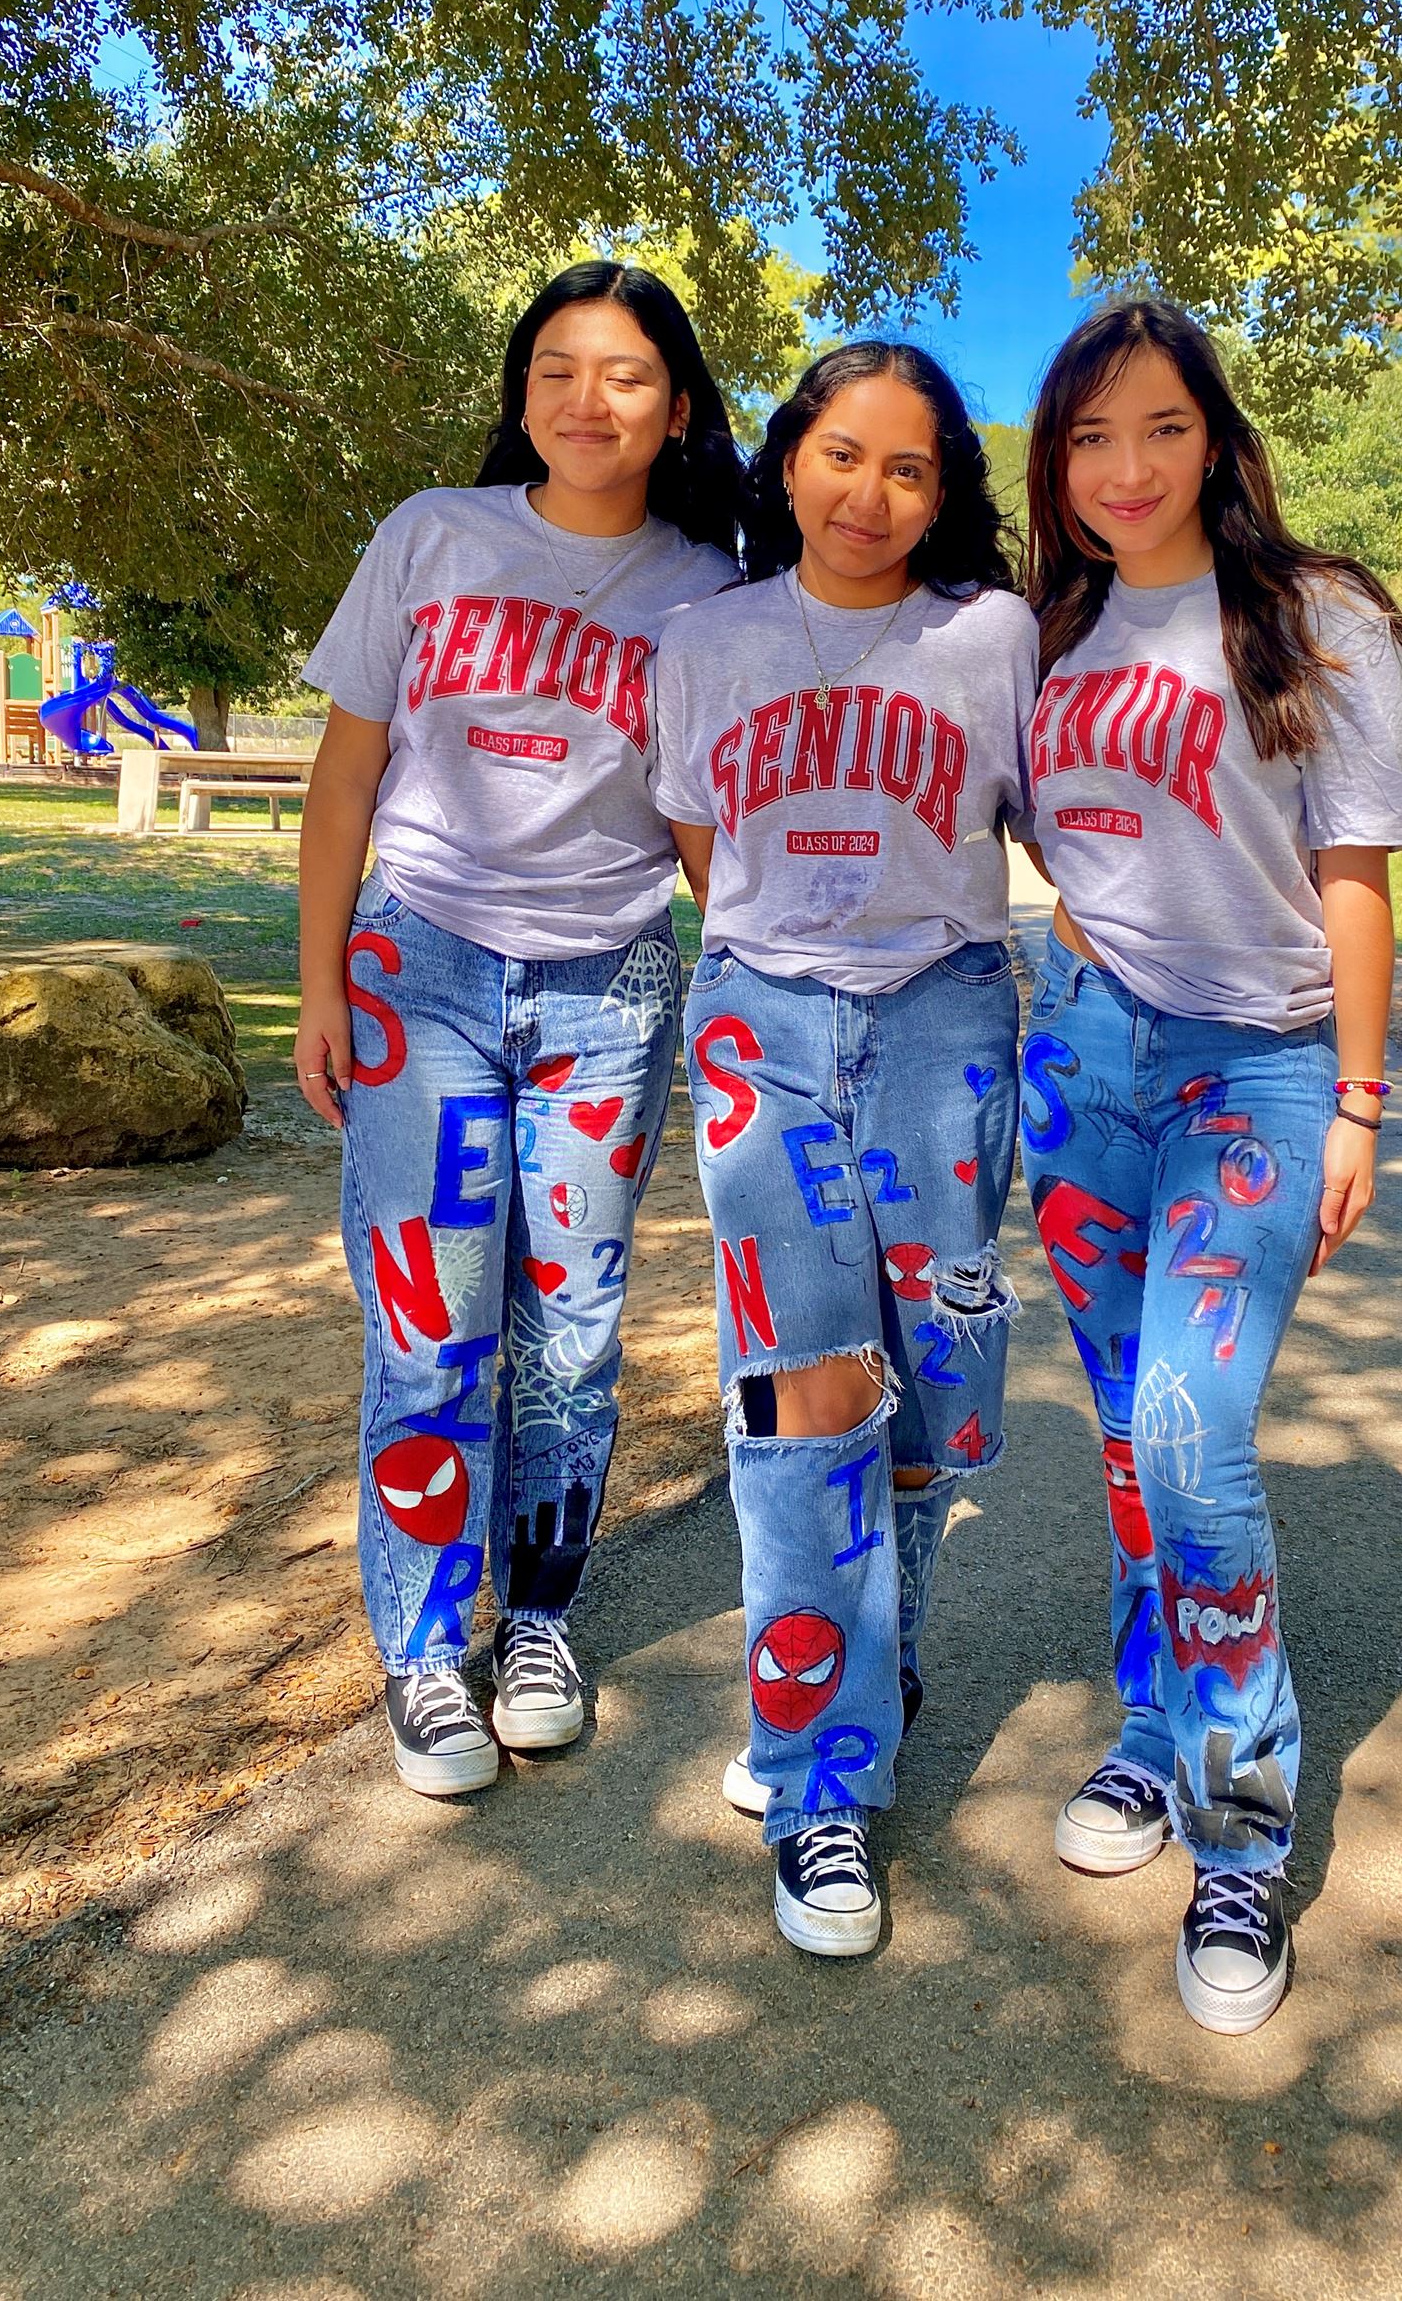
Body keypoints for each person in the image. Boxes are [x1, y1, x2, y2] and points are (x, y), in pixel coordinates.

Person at [1018, 299, 1402, 2034]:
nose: (1125, 469)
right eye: (1089, 438)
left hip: (1254, 1077)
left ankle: (1242, 1830)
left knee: (1192, 1427)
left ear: (1216, 438)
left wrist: (1353, 1097)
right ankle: (1148, 1725)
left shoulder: (1313, 617)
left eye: (1161, 430)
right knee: (1126, 1426)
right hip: (1084, 1049)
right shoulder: (1039, 633)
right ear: (1054, 464)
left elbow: (1350, 868)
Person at [294, 262, 742, 1798]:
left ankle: (538, 1615)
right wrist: (317, 984)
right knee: (431, 1329)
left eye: (621, 374)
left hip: (609, 983)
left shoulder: (708, 589)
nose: (585, 399)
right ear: (520, 393)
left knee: (574, 1330)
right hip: (415, 966)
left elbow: (702, 824)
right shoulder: (433, 536)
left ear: (676, 408)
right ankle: (424, 1650)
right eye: (555, 369)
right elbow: (344, 777)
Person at [655, 341, 1035, 1957]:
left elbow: (1053, 826)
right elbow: (697, 841)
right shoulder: (703, 641)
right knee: (802, 1390)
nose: (867, 494)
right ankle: (823, 1782)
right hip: (763, 1023)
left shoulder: (993, 637)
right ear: (785, 461)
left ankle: (860, 1656)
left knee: (929, 1395)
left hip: (944, 1020)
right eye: (837, 454)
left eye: (908, 468)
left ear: (943, 493)